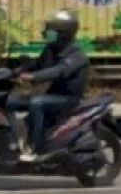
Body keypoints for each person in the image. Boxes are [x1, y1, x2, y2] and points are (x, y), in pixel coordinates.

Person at [14, 9, 88, 161]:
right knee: (13, 100)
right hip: (53, 95)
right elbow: (38, 64)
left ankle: (34, 147)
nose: (47, 32)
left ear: (64, 32)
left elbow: (59, 71)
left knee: (37, 103)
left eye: (52, 30)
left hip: (68, 99)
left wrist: (34, 77)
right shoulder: (52, 49)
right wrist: (14, 71)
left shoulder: (76, 54)